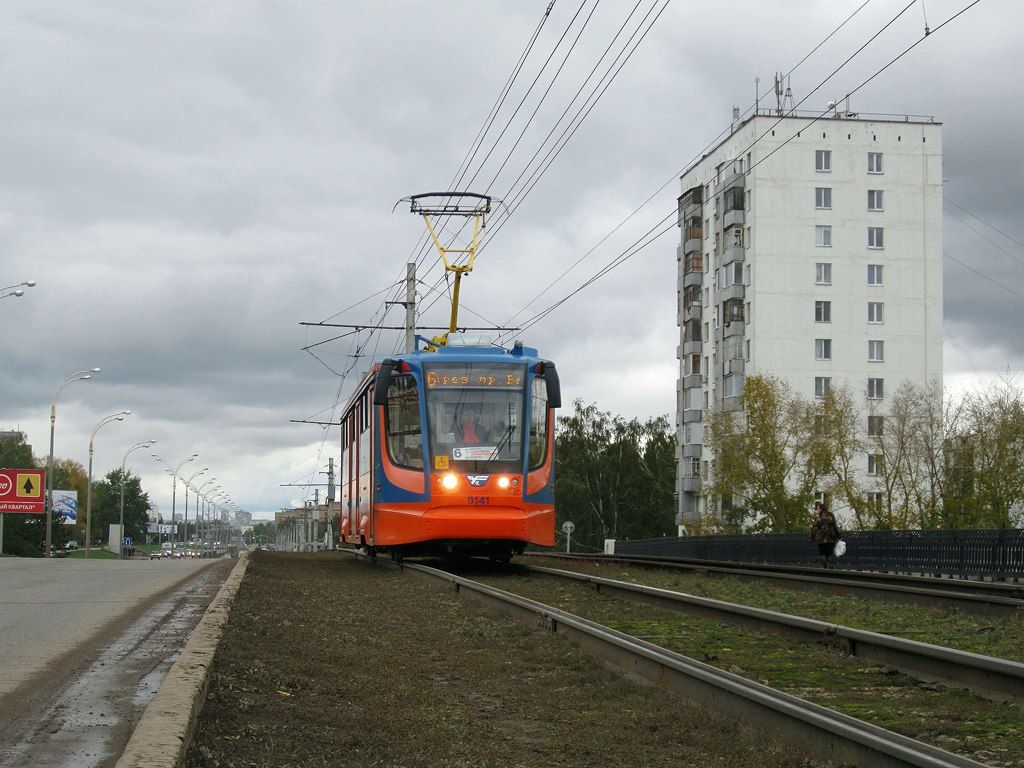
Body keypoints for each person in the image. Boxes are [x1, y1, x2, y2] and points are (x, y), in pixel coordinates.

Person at [809, 501, 842, 568]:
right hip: (831, 537)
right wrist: (839, 533)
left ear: (820, 509)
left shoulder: (818, 517)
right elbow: (835, 525)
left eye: (818, 508)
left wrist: (811, 538)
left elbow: (814, 528)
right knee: (829, 553)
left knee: (822, 553)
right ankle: (830, 565)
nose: (818, 510)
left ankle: (825, 568)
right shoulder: (831, 515)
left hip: (821, 539)